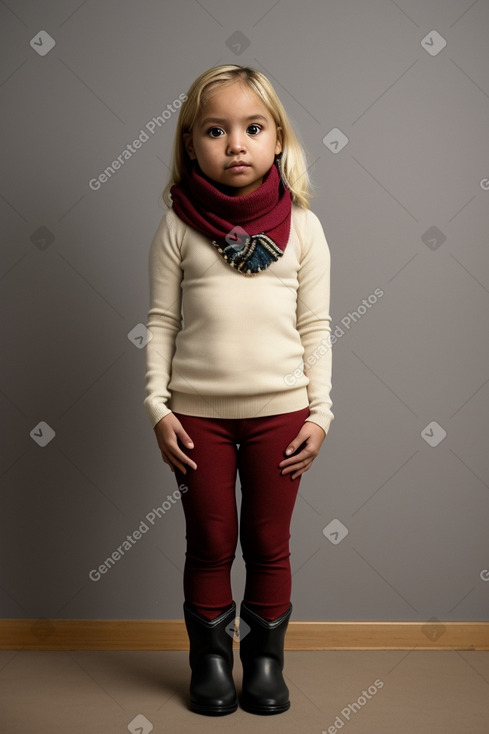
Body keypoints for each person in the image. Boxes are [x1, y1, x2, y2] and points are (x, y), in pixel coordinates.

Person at [144, 64, 334, 717]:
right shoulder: (177, 227)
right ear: (190, 142)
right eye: (215, 130)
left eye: (252, 128)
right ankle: (209, 663)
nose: (235, 144)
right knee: (210, 542)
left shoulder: (303, 228)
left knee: (267, 542)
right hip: (197, 419)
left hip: (281, 415)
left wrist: (322, 413)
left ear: (276, 139)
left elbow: (315, 327)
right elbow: (161, 323)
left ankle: (262, 663)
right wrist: (157, 408)